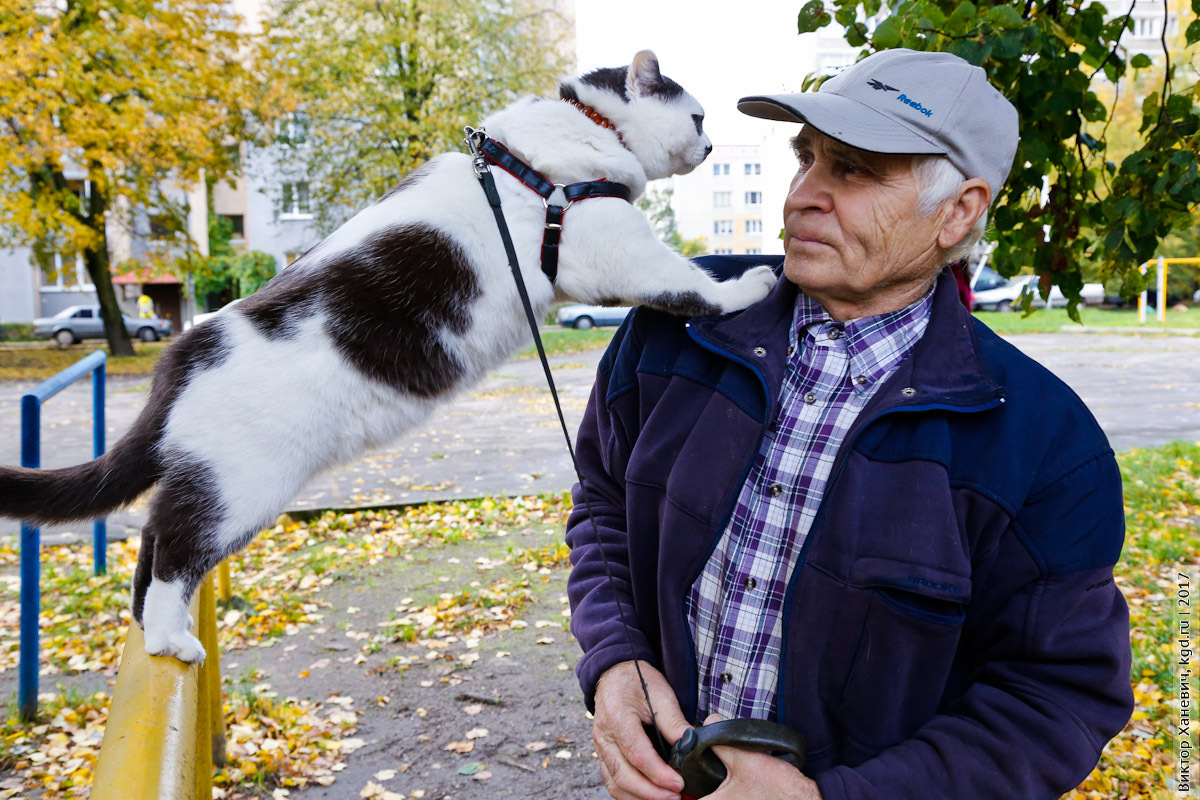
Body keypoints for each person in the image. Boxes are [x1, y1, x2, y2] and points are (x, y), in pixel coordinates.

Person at [565, 48, 1133, 800]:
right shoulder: (680, 320)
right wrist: (614, 664)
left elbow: (1055, 699)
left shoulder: (1045, 442)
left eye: (856, 169)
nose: (803, 195)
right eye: (808, 158)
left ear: (958, 211)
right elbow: (602, 504)